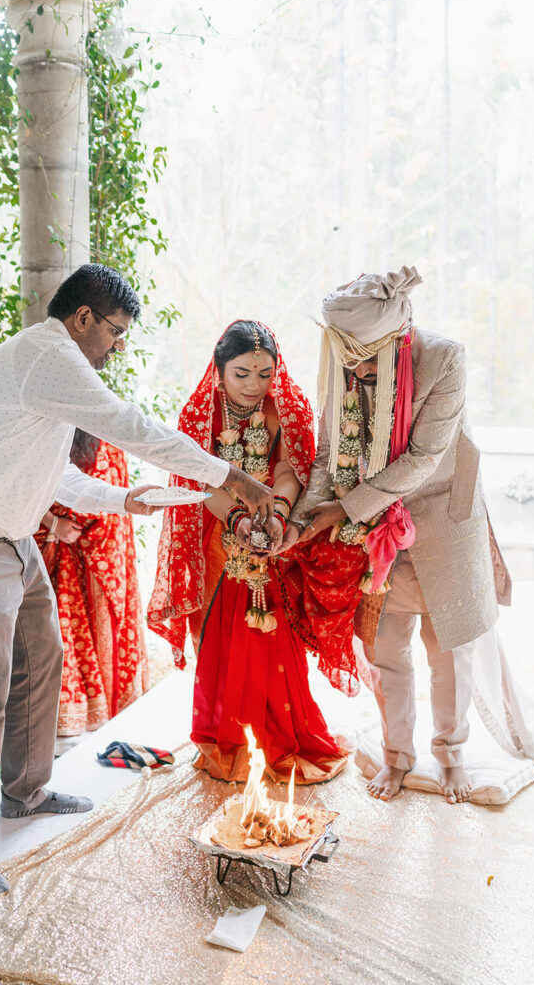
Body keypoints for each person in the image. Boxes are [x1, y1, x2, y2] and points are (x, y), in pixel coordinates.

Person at [0, 264, 270, 899]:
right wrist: (228, 476)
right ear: (82, 319)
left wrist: (128, 499)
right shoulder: (48, 354)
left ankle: (25, 793)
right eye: (116, 331)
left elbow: (55, 479)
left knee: (41, 659)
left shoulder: (41, 370)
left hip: (7, 537)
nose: (118, 345)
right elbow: (127, 422)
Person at [285, 266, 513, 804]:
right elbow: (326, 453)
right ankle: (397, 757)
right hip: (372, 529)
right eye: (346, 358)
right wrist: (302, 517)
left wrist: (341, 509)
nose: (354, 368)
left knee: (447, 651)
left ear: (395, 341)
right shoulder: (345, 362)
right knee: (385, 648)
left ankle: (451, 755)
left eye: (365, 358)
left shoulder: (444, 358)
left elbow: (424, 458)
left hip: (443, 520)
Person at [148, 320, 368, 784]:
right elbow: (199, 482)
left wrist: (277, 512)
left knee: (274, 640)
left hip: (274, 538)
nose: (254, 385)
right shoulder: (199, 414)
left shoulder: (285, 406)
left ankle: (281, 738)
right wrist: (238, 519)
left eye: (265, 373)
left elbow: (291, 467)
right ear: (219, 369)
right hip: (220, 542)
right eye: (242, 373)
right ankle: (224, 740)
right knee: (221, 640)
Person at [35, 430, 148, 734]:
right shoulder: (37, 431)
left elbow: (115, 494)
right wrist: (51, 521)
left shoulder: (105, 438)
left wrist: (86, 531)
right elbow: (15, 482)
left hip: (94, 549)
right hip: (40, 542)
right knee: (49, 632)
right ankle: (56, 712)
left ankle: (87, 711)